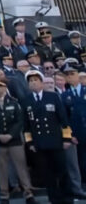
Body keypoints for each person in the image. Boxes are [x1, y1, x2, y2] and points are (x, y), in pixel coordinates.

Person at [23, 69, 72, 204]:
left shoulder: (52, 96)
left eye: (35, 80)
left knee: (62, 170)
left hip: (55, 140)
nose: (33, 83)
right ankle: (54, 198)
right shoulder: (26, 100)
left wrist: (66, 138)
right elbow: (26, 125)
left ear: (41, 82)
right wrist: (30, 143)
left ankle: (67, 198)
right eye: (30, 81)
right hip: (39, 143)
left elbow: (63, 119)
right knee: (47, 173)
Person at [0, 77, 34, 204]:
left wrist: (10, 134)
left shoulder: (14, 102)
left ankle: (28, 193)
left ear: (5, 88)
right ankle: (4, 194)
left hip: (14, 140)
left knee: (21, 166)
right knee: (1, 168)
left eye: (0, 86)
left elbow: (19, 120)